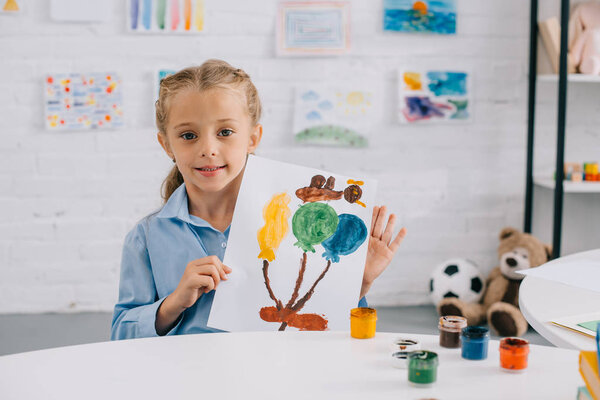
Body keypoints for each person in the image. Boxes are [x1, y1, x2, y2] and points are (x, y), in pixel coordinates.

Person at [111, 59, 407, 340]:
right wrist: (173, 303)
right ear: (166, 145)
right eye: (188, 136)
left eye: (225, 132)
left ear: (253, 138)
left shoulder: (295, 221)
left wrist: (358, 282)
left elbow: (330, 329)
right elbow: (120, 335)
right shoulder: (146, 237)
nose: (208, 148)